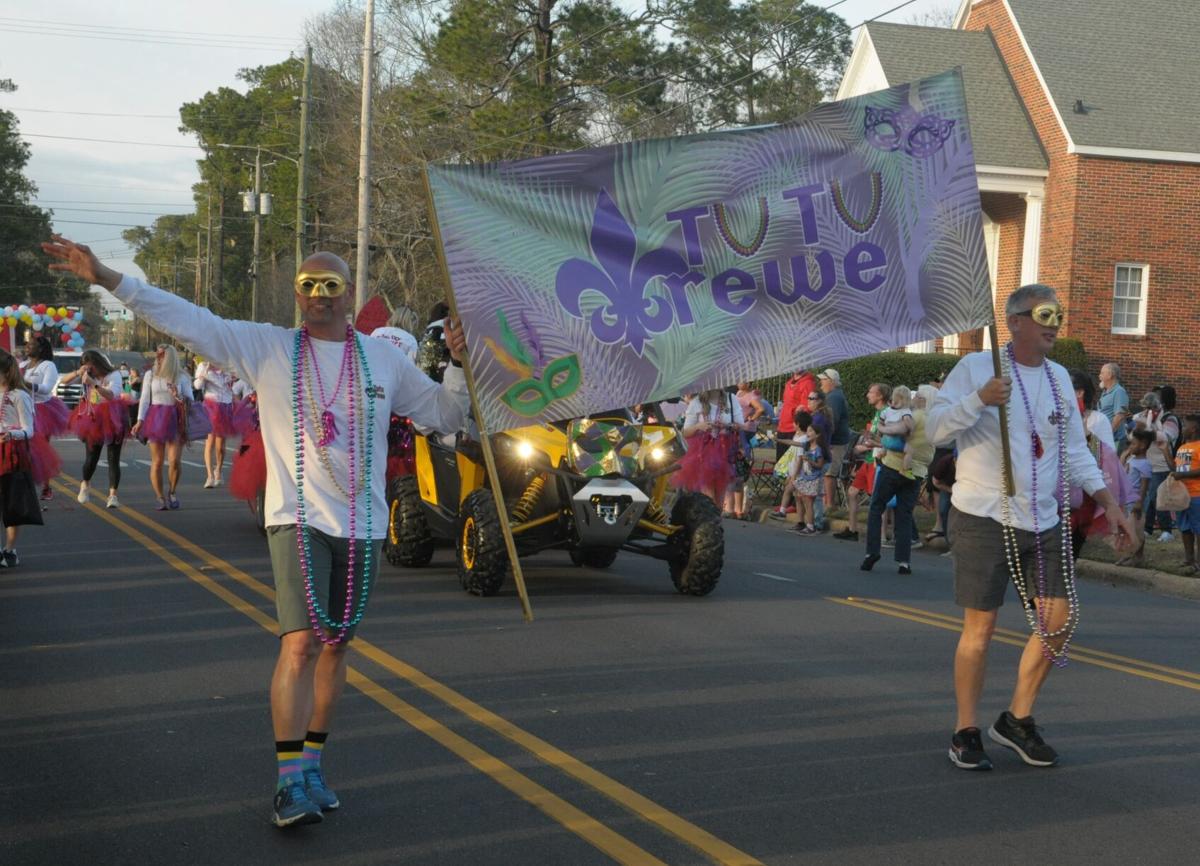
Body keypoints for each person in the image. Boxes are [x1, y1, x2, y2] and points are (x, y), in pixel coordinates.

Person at [44, 236, 470, 829]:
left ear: (350, 295)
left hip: (365, 521)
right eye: (307, 283)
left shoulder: (383, 360)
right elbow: (188, 320)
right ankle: (288, 781)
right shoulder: (267, 346)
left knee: (337, 642)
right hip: (297, 516)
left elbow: (446, 416)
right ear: (297, 294)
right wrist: (110, 278)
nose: (317, 294)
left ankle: (315, 764)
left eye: (331, 285)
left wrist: (456, 362)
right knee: (299, 641)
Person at [927, 283, 1135, 771]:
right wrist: (978, 400)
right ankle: (965, 729)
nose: (1054, 324)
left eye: (1059, 315)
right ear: (1015, 320)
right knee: (981, 629)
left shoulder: (1061, 378)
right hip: (983, 515)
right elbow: (935, 430)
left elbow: (1075, 451)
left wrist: (1110, 502)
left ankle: (1017, 720)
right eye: (1045, 314)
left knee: (1058, 622)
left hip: (1043, 520)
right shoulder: (977, 368)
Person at [60, 349, 128, 508]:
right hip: (93, 417)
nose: (91, 371)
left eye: (91, 367)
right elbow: (64, 381)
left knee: (113, 458)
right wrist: (78, 372)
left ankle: (113, 495)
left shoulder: (114, 375)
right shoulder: (87, 375)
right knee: (91, 457)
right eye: (87, 368)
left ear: (98, 364)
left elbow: (112, 395)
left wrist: (93, 383)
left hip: (113, 417)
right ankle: (85, 484)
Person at [132, 344, 196, 511]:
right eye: (157, 355)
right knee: (157, 461)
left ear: (170, 358)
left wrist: (178, 395)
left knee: (174, 460)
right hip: (156, 418)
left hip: (175, 418)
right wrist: (140, 420)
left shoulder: (182, 377)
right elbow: (145, 399)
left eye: (162, 356)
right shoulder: (150, 375)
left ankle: (172, 492)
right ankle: (160, 497)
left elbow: (191, 400)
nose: (158, 359)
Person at [834, 383, 890, 542]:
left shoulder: (886, 413)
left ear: (880, 396)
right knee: (852, 492)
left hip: (877, 460)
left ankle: (882, 535)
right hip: (868, 459)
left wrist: (864, 445)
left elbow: (884, 438)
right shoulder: (878, 413)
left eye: (871, 392)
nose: (867, 395)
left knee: (878, 498)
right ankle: (853, 530)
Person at [675, 387, 746, 505]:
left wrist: (726, 426)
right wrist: (699, 426)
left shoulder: (731, 399)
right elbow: (685, 432)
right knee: (709, 498)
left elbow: (740, 425)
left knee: (719, 500)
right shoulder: (696, 402)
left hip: (725, 452)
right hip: (703, 453)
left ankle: (715, 521)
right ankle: (710, 520)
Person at [0, 349, 37, 567]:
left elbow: (29, 430)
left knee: (11, 503)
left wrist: (11, 434)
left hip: (11, 453)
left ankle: (10, 549)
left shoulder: (19, 396)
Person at [21, 335, 68, 500]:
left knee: (39, 449)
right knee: (22, 449)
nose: (27, 347)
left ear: (40, 349)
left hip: (43, 411)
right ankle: (25, 484)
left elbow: (46, 388)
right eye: (26, 344)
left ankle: (46, 487)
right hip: (23, 408)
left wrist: (23, 383)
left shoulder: (48, 366)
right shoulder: (23, 365)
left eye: (31, 345)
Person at [1130, 391, 1179, 543]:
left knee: (1158, 497)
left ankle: (1166, 530)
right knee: (1146, 497)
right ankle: (1147, 528)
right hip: (1144, 462)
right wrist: (1144, 424)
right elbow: (1132, 435)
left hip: (1161, 464)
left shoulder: (1169, 418)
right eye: (1146, 408)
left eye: (1152, 408)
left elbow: (1165, 437)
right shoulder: (1141, 417)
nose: (1149, 411)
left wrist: (1148, 428)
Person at [194, 359, 239, 488]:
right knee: (210, 442)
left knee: (221, 446)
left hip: (225, 406)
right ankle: (210, 476)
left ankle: (218, 470)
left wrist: (232, 379)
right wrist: (204, 374)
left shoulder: (228, 366)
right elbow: (197, 386)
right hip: (211, 406)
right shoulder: (203, 365)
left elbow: (234, 386)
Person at [724, 382, 765, 520]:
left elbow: (760, 409)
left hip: (743, 431)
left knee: (736, 470)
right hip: (736, 430)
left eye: (744, 380)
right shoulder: (738, 393)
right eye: (739, 380)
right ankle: (735, 508)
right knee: (733, 472)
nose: (741, 382)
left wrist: (751, 419)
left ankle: (734, 509)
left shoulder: (751, 395)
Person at [1115, 429, 1154, 566]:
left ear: (1142, 446)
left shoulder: (1145, 464)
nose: (1130, 447)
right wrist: (1124, 457)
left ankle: (1138, 557)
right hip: (1127, 499)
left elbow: (1144, 485)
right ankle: (1128, 554)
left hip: (1136, 500)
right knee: (1127, 529)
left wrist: (1139, 502)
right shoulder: (1131, 459)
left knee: (1137, 529)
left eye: (1133, 444)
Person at [818, 368, 852, 522]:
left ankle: (829, 505)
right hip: (836, 440)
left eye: (823, 380)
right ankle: (827, 503)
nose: (820, 383)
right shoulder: (834, 396)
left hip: (836, 441)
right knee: (827, 472)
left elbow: (832, 421)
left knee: (829, 473)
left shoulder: (834, 398)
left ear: (831, 382)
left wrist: (827, 441)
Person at [787, 411, 827, 535]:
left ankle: (811, 526)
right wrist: (778, 439)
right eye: (808, 431)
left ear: (817, 435)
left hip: (813, 478)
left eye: (811, 432)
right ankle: (806, 524)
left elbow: (820, 465)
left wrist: (809, 460)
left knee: (809, 502)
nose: (808, 434)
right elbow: (793, 443)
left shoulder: (818, 450)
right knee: (802, 498)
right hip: (806, 477)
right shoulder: (806, 446)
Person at [1169, 415, 1200, 575]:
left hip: (1196, 494)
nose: (1183, 428)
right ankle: (1189, 559)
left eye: (1185, 425)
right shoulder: (1181, 447)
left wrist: (1183, 475)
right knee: (1184, 528)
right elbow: (1174, 466)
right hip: (1182, 494)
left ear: (1194, 429)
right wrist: (1163, 450)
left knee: (1198, 528)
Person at [775, 369, 816, 461]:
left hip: (794, 426)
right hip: (783, 425)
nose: (797, 367)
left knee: (790, 460)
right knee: (780, 459)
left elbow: (808, 406)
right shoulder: (789, 383)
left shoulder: (808, 383)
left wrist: (799, 411)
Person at [1097, 363, 1130, 456]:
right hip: (1106, 439)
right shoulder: (1105, 392)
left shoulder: (1119, 392)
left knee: (1112, 469)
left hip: (1115, 440)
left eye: (1102, 373)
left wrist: (1107, 435)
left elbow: (1119, 416)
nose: (1100, 375)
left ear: (1110, 375)